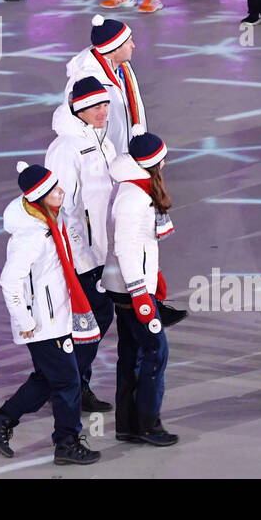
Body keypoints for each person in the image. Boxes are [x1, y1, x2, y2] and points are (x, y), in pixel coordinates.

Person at [0, 162, 101, 466]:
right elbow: (9, 281)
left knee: (48, 379)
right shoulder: (31, 236)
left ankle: (1, 421)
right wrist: (26, 321)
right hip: (43, 324)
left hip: (54, 318)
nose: (62, 191)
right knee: (68, 382)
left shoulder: (49, 223)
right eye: (55, 189)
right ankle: (66, 444)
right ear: (42, 197)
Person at [101, 131, 181, 443]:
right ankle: (148, 423)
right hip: (132, 290)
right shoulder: (134, 197)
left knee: (132, 352)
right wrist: (140, 294)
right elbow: (124, 248)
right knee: (155, 351)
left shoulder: (138, 188)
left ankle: (129, 424)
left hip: (128, 288)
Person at [44, 77, 118, 412]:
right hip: (82, 255)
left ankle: (73, 380)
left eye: (105, 104)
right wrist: (81, 254)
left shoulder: (102, 140)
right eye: (95, 106)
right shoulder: (65, 148)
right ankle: (71, 383)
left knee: (98, 317)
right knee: (90, 319)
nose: (103, 111)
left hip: (101, 248)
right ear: (78, 108)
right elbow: (61, 207)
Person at [64, 16, 145, 155]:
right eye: (128, 42)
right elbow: (78, 122)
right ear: (114, 49)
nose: (133, 45)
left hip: (127, 152)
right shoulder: (87, 80)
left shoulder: (122, 65)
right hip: (105, 159)